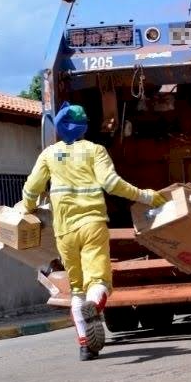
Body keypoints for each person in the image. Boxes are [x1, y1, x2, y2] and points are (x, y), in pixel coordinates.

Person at [19, 103, 166, 361]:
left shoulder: (49, 155)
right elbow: (111, 184)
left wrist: (27, 208)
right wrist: (146, 197)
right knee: (98, 281)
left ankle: (86, 346)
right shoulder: (95, 150)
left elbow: (31, 189)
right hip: (92, 225)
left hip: (63, 231)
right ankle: (95, 306)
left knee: (77, 288)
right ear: (85, 127)